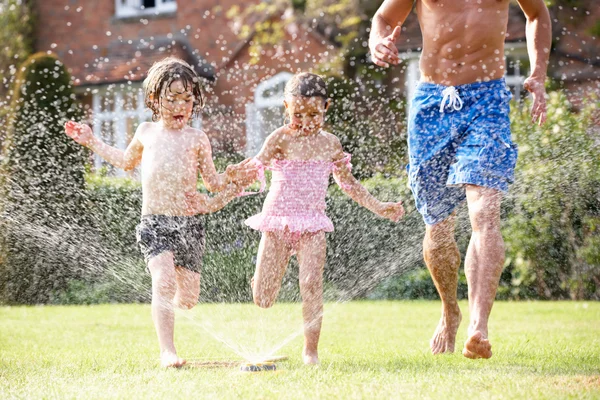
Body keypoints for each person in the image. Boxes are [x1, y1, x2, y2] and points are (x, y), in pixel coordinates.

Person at [369, 0, 551, 358]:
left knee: (484, 214)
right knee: (438, 229)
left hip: (487, 100)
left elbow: (537, 13)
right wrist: (377, 41)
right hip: (431, 101)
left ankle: (478, 327)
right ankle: (450, 310)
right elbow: (383, 17)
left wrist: (538, 73)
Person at [64, 57, 257, 367]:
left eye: (188, 99)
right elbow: (125, 162)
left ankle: (167, 307)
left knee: (189, 299)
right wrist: (92, 141)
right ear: (154, 99)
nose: (181, 106)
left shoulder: (197, 138)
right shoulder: (146, 132)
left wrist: (232, 180)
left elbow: (212, 183)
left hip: (190, 225)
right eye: (172, 99)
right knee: (164, 282)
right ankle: (168, 351)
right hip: (154, 223)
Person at [245, 72, 405, 365]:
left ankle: (310, 351)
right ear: (285, 107)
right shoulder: (279, 138)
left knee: (311, 283)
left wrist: (379, 206)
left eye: (313, 114)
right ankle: (259, 280)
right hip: (278, 220)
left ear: (326, 107)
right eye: (297, 114)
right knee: (263, 299)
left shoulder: (331, 144)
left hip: (313, 223)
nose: (306, 122)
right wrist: (228, 180)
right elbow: (254, 168)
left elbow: (349, 184)